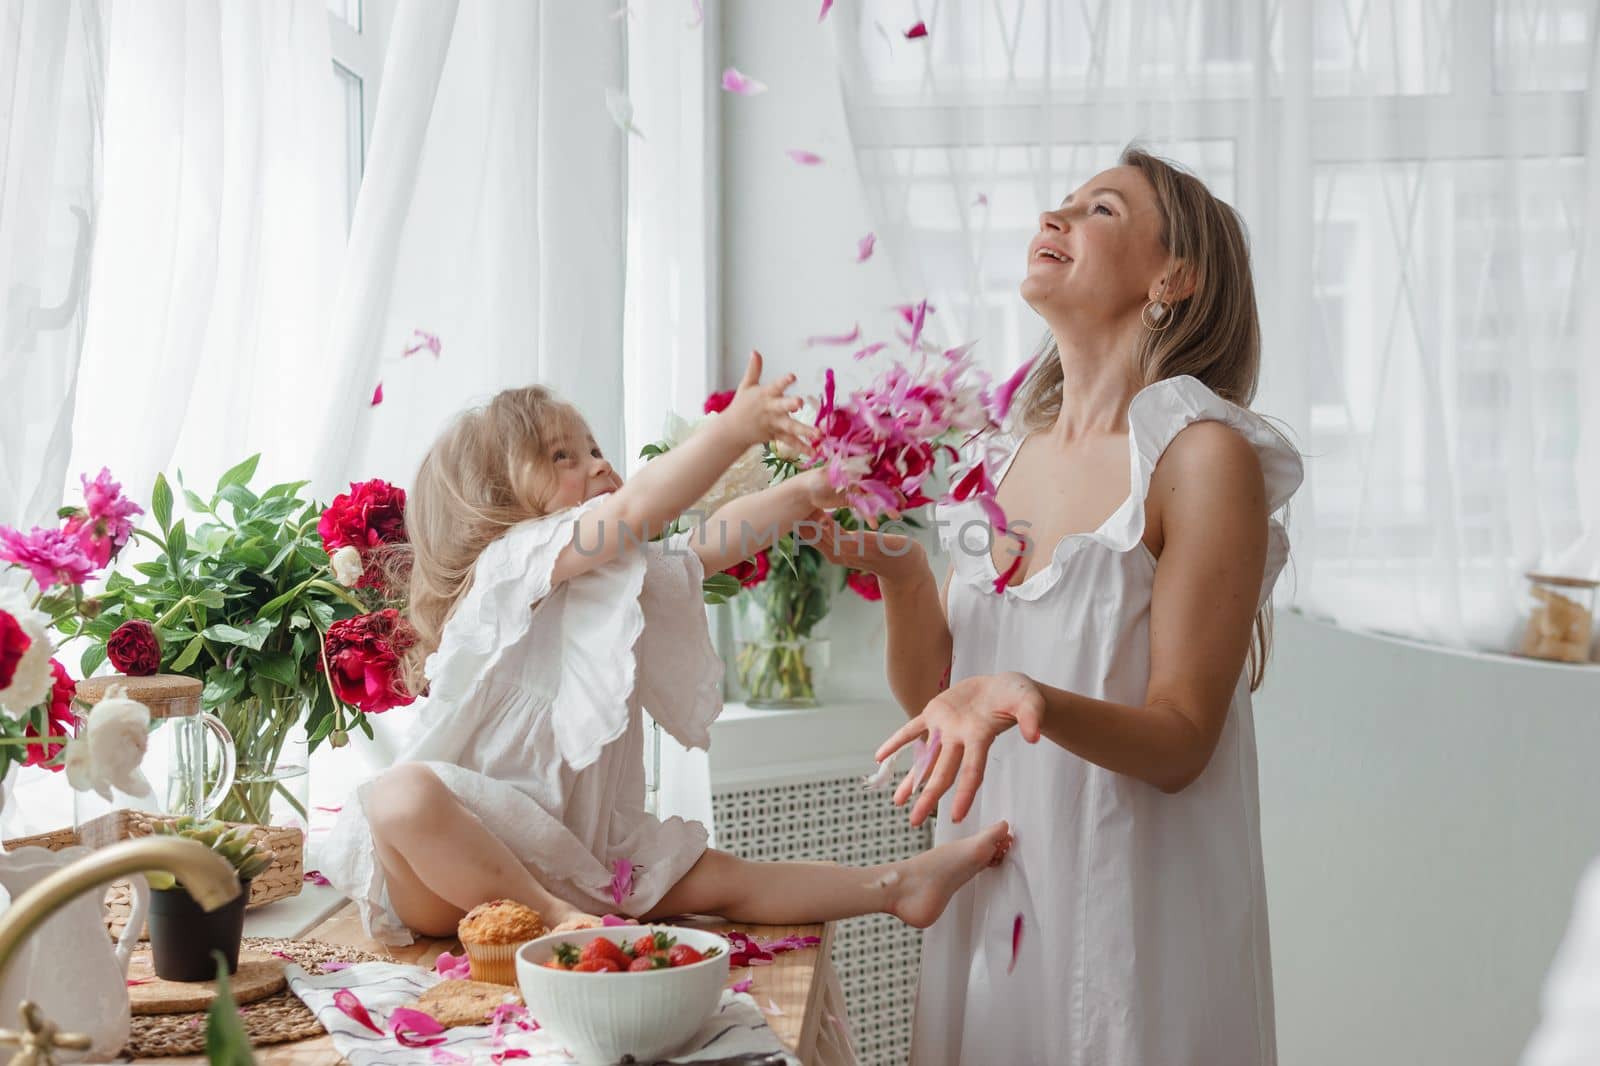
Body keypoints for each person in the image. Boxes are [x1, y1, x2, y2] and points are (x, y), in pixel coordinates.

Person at [815, 147, 1304, 1065]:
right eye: (1064, 202)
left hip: (1131, 907)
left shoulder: (1200, 456)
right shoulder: (994, 458)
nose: (1057, 215)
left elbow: (1183, 740)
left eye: (1102, 210)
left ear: (1174, 276)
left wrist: (1021, 692)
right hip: (994, 888)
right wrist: (905, 577)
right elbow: (938, 699)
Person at [321, 353, 1013, 946]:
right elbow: (630, 515)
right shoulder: (511, 565)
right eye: (562, 455)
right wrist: (731, 432)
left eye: (594, 448)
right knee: (401, 793)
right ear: (493, 501)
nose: (597, 464)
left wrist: (805, 490)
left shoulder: (617, 572)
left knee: (731, 881)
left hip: (578, 853)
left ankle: (892, 886)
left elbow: (708, 542)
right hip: (449, 872)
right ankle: (560, 919)